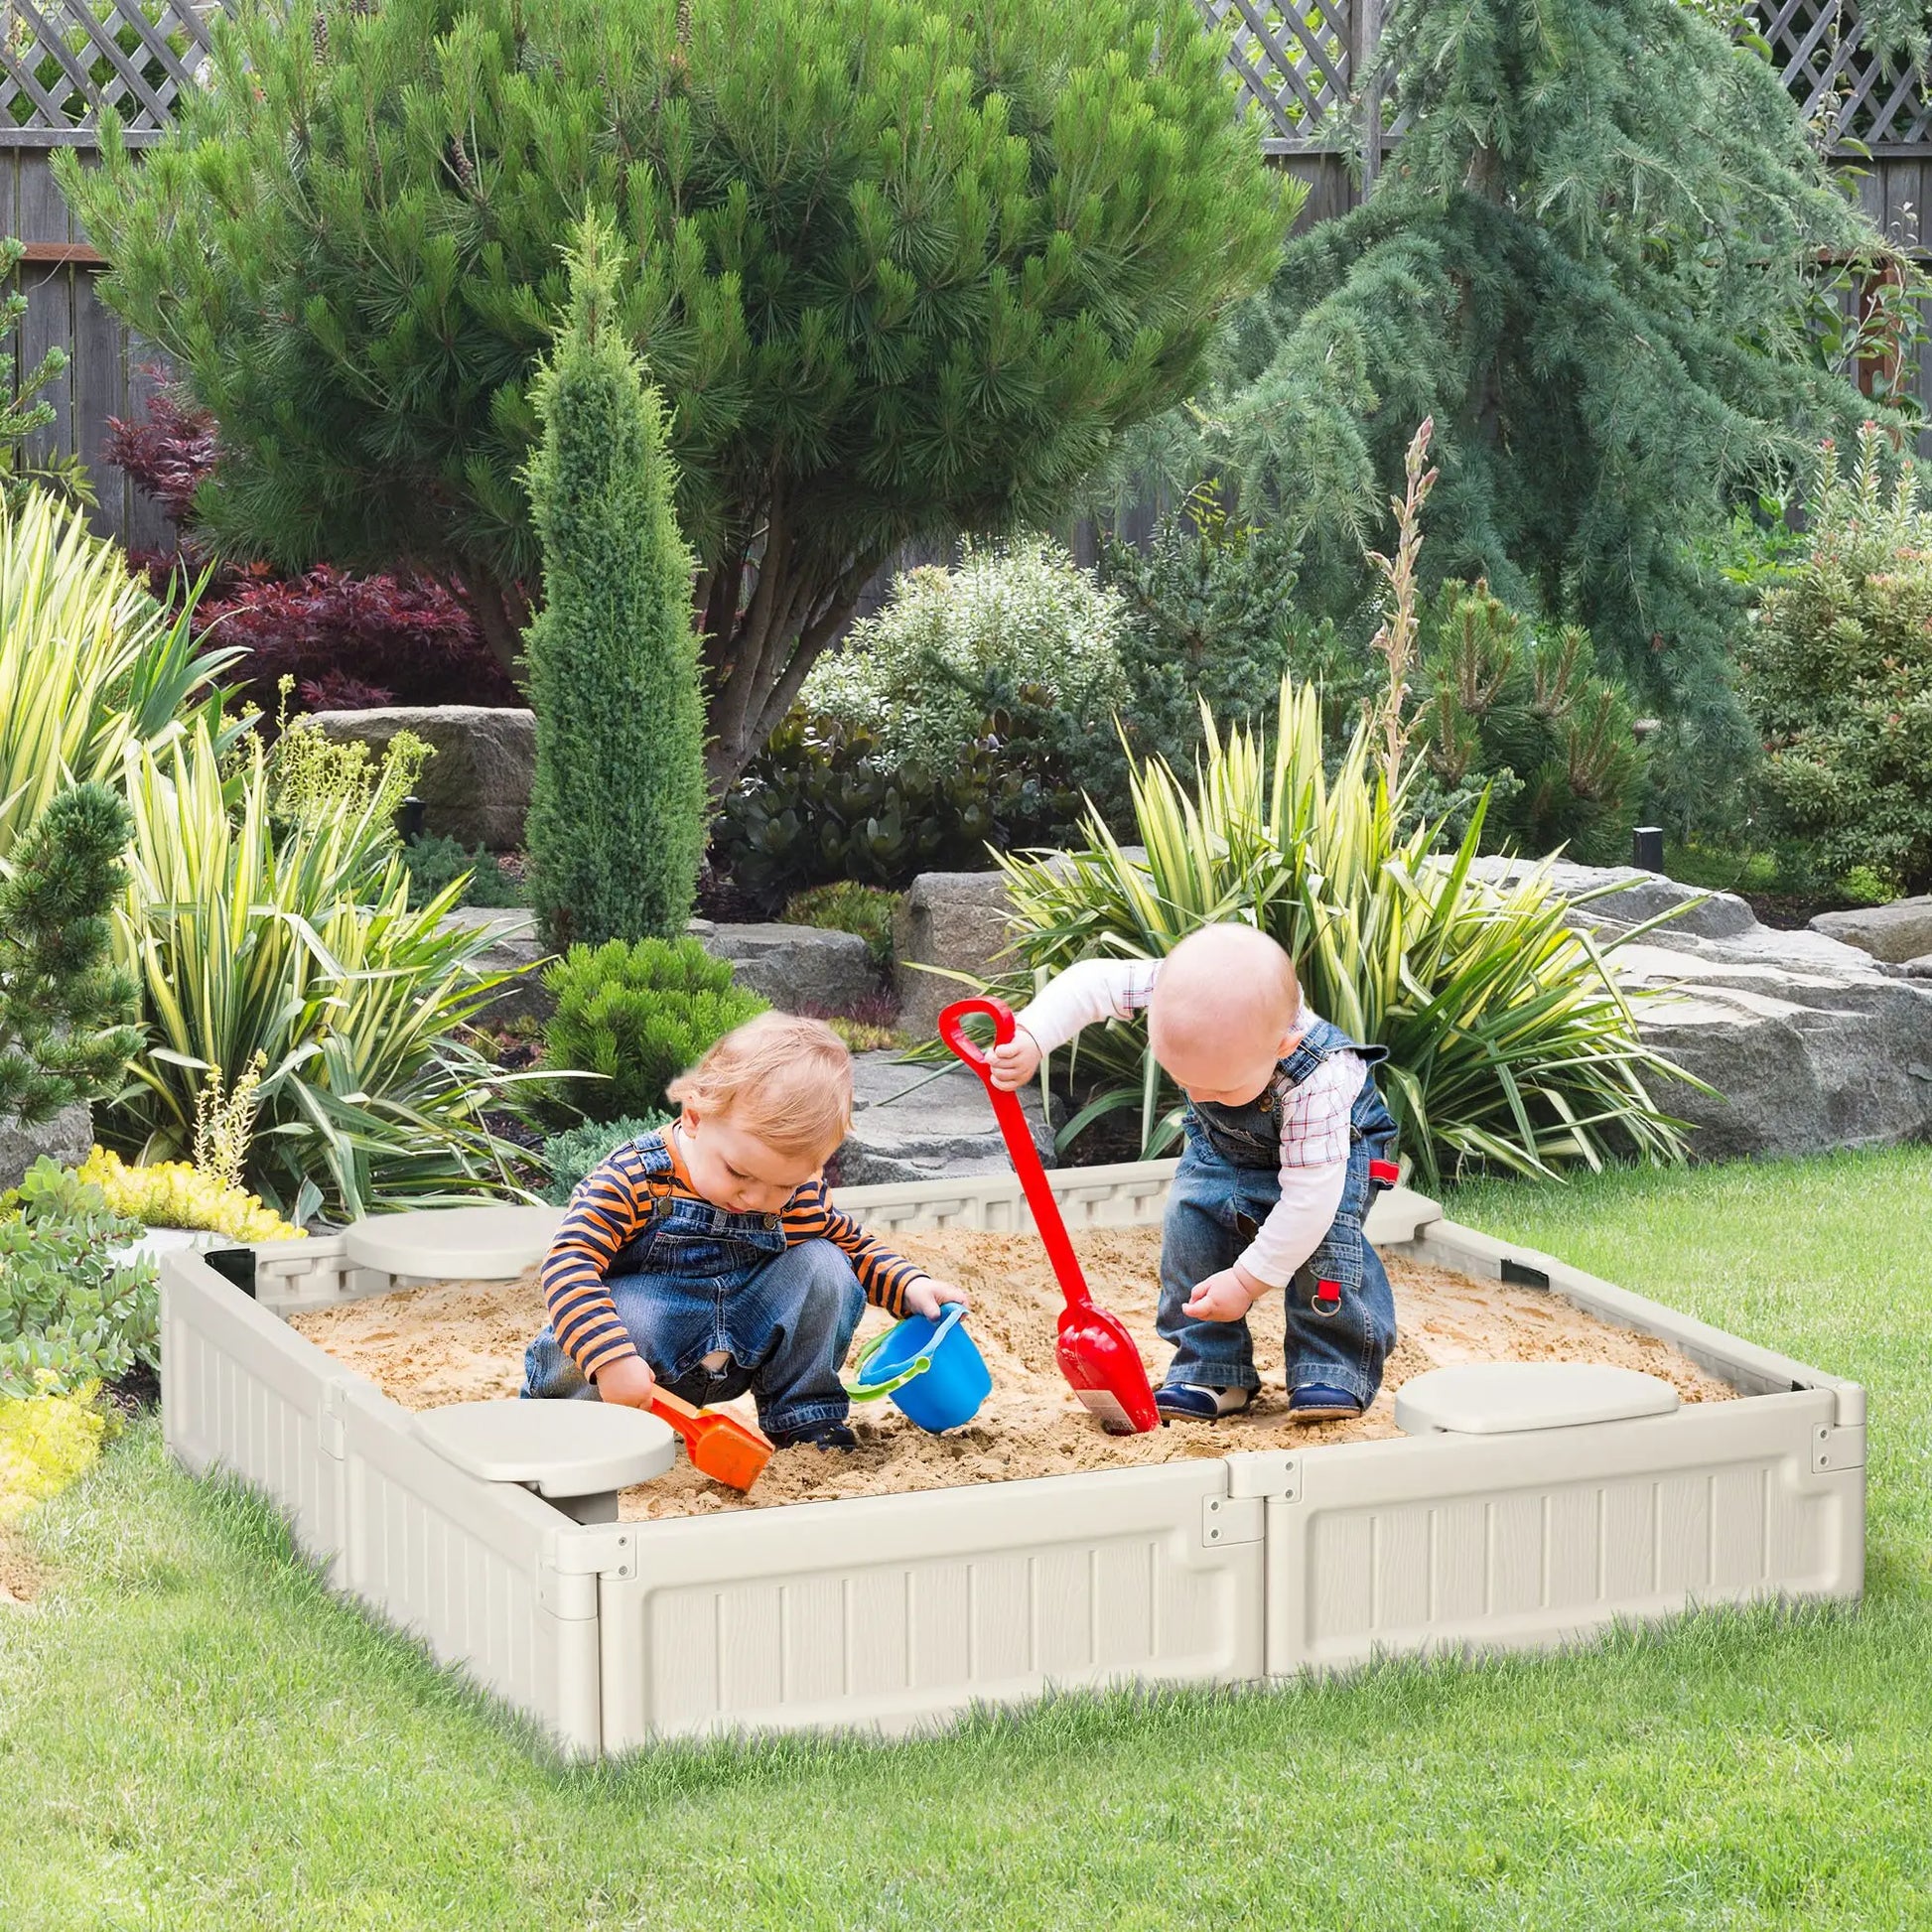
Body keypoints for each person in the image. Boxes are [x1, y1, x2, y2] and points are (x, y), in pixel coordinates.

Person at [988, 923, 1400, 1423]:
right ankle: (1210, 1367)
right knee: (1191, 1222)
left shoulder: (1322, 1079)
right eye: (1185, 1082)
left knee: (1325, 1243)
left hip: (1337, 1149)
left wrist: (1246, 1282)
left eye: (1220, 1089)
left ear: (1283, 1048)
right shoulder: (1178, 986)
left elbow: (1307, 1204)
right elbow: (1091, 984)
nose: (1201, 1098)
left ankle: (1330, 1367)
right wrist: (1032, 1036)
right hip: (1223, 1148)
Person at [522, 1013, 966, 1449]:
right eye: (739, 1173)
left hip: (736, 1349)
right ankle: (579, 1422)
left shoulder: (795, 1195)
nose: (758, 1199)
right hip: (632, 1368)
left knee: (826, 1265)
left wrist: (910, 1284)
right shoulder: (637, 1178)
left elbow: (853, 1247)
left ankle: (806, 1420)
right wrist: (610, 1357)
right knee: (615, 1319)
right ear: (695, 1117)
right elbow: (568, 1261)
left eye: (785, 1185)